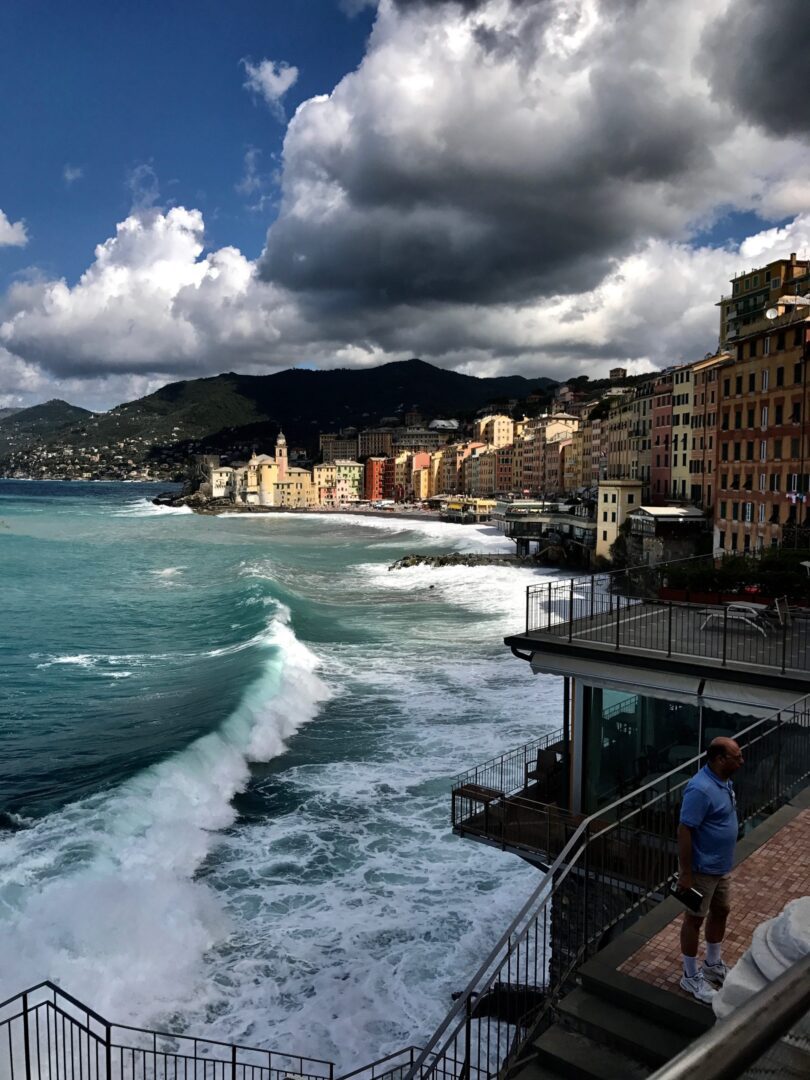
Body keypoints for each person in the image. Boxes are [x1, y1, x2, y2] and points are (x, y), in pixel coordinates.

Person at [676, 736, 744, 1004]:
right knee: (694, 919)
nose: (742, 760)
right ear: (719, 759)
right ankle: (690, 976)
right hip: (702, 870)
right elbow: (684, 830)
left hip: (721, 867)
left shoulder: (724, 782)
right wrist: (686, 873)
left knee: (722, 910)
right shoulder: (700, 790)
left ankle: (712, 964)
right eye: (736, 756)